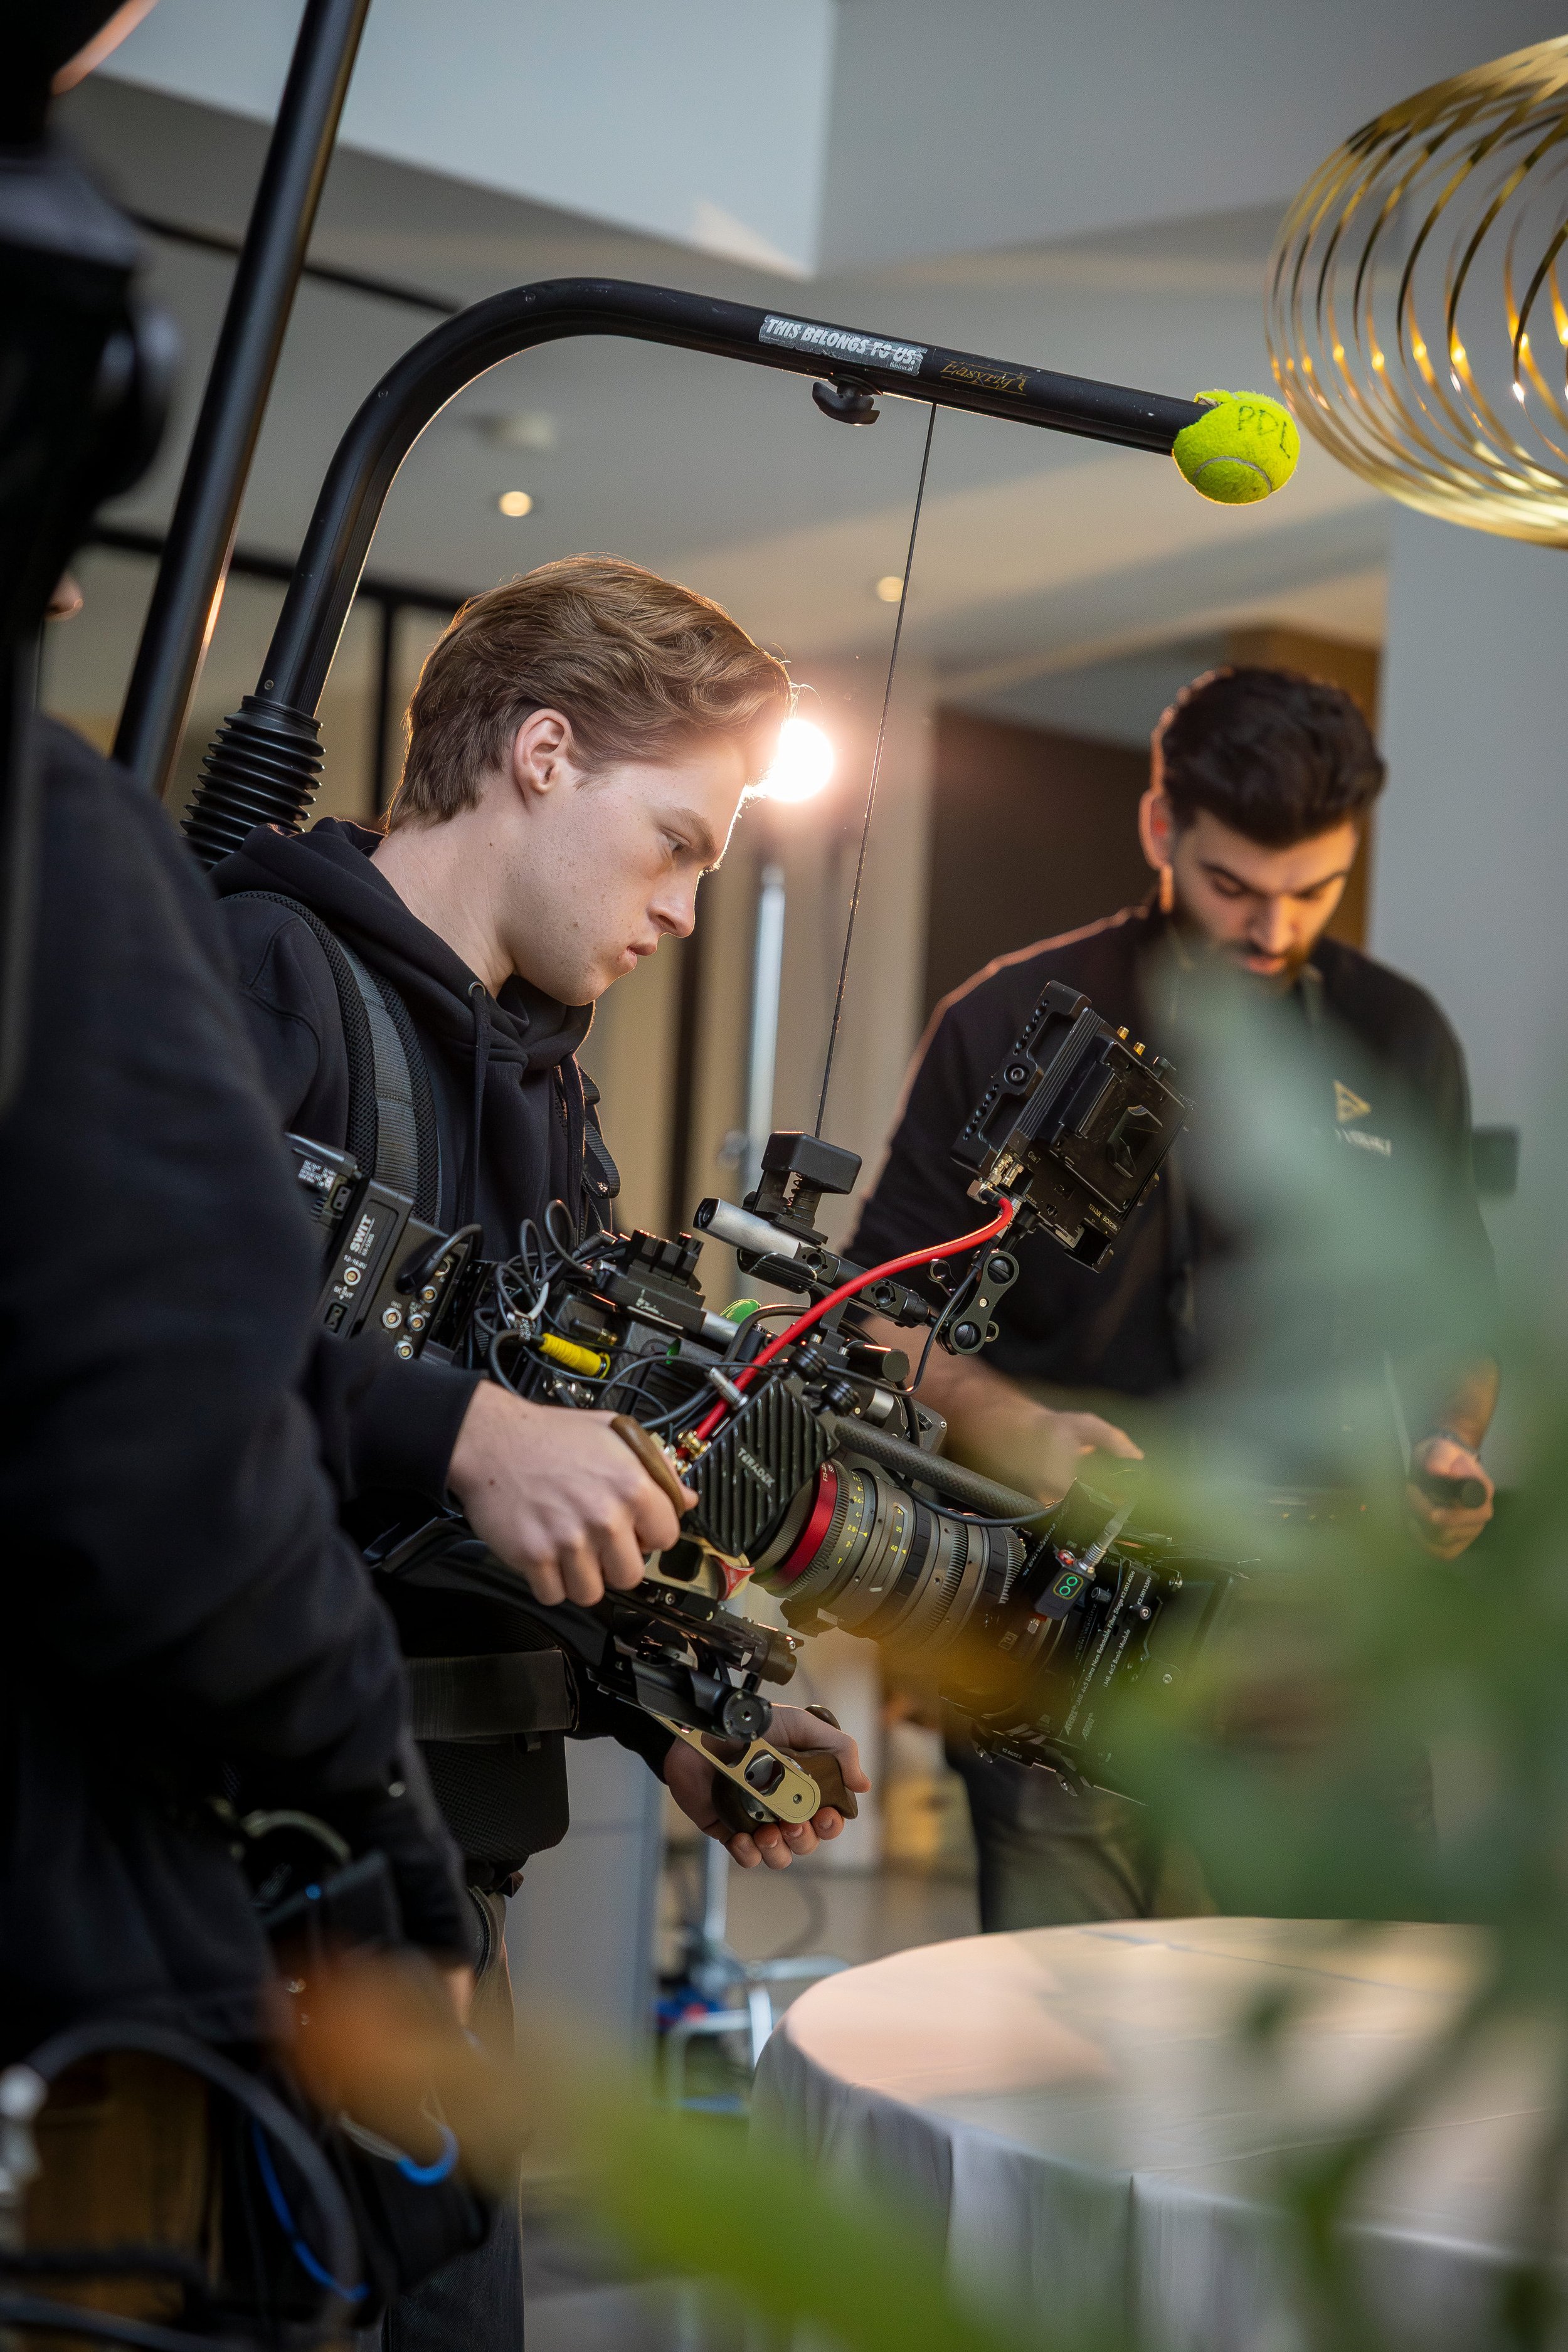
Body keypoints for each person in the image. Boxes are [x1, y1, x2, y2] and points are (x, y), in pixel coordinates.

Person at [209, 555, 870, 2345]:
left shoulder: (548, 1100)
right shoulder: (265, 975)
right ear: (544, 753)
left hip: (432, 1887)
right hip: (227, 1896)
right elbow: (133, 1354)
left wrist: (679, 1717)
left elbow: (498, 1501)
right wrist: (466, 1425)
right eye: (677, 841)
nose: (681, 905)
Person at [850, 665, 1498, 1930]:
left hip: (1322, 1636)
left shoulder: (1397, 1033)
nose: (1271, 930)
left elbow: (1451, 1323)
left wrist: (1446, 1439)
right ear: (1160, 830)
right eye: (1231, 887)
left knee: (1340, 2022)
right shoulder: (1009, 1019)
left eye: (1312, 890)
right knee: (1064, 2053)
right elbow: (878, 1311)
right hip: (1057, 1619)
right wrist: (1013, 1425)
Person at [1, 707, 475, 2324]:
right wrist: (382, 1815)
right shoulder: (90, 861)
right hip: (85, 1941)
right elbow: (177, 1447)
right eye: (679, 843)